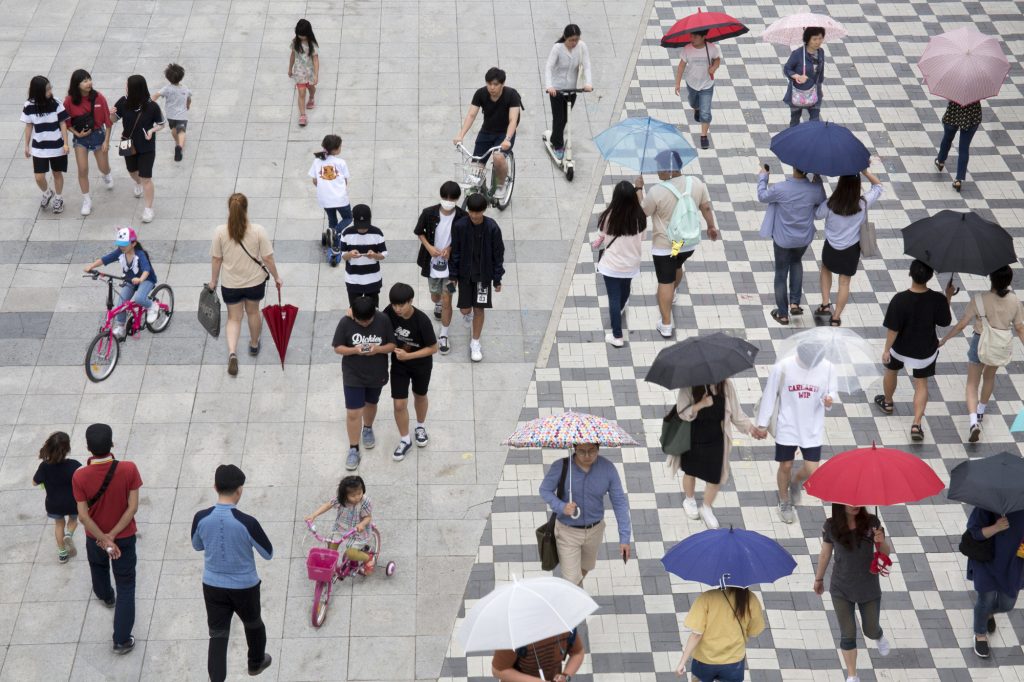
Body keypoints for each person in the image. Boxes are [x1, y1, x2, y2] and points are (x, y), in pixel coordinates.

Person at [191, 464, 273, 680]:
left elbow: (197, 545)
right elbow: (268, 553)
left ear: (215, 487)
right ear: (240, 490)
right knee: (253, 624)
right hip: (245, 587)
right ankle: (256, 663)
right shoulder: (248, 522)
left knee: (217, 635)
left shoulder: (200, 517)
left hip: (212, 586)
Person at [71, 423, 143, 655]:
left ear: (88, 447)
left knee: (98, 566)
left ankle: (105, 596)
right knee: (126, 585)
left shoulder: (80, 476)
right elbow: (132, 507)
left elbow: (83, 516)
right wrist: (112, 536)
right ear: (112, 444)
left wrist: (103, 538)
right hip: (124, 538)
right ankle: (121, 640)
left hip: (95, 538)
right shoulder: (129, 469)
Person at [938, 266, 1024, 442]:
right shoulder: (1015, 301)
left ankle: (973, 423)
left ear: (991, 279)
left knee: (972, 384)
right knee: (989, 377)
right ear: (1008, 281)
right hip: (999, 345)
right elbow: (1020, 328)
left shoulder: (979, 300)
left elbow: (962, 324)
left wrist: (945, 339)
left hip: (979, 343)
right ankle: (980, 412)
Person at [639, 149, 718, 338]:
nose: (657, 171)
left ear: (670, 170)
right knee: (677, 264)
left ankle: (666, 324)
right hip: (685, 244)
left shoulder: (657, 191)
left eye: (660, 168)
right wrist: (711, 226)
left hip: (665, 246)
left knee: (665, 280)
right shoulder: (696, 183)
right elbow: (706, 207)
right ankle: (673, 293)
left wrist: (638, 191)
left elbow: (643, 213)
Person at [756, 343, 837, 524]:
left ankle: (795, 481)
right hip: (787, 425)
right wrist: (762, 424)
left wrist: (829, 399)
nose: (811, 368)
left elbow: (832, 391)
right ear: (799, 356)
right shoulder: (783, 367)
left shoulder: (828, 368)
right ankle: (784, 501)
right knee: (785, 465)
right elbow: (770, 394)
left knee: (812, 470)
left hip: (812, 427)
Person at [875, 260, 954, 442]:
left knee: (891, 371)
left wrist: (886, 350)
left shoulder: (899, 299)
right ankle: (916, 424)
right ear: (930, 276)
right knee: (921, 384)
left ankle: (887, 402)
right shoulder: (937, 299)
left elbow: (893, 329)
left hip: (900, 348)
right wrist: (948, 296)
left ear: (910, 274)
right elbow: (944, 322)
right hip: (925, 352)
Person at [813, 504, 892, 682]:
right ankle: (852, 675)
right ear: (840, 504)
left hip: (868, 586)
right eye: (849, 502)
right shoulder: (831, 526)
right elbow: (825, 554)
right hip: (841, 587)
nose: (855, 505)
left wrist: (881, 541)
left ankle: (878, 635)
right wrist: (819, 579)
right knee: (847, 633)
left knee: (870, 629)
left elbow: (885, 553)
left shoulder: (872, 522)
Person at [209, 193, 283, 376]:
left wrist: (213, 281)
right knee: (253, 312)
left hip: (231, 284)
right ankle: (254, 344)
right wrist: (276, 277)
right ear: (246, 208)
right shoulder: (258, 231)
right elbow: (267, 258)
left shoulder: (220, 232)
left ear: (229, 209)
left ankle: (232, 353)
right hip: (254, 283)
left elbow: (217, 259)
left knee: (234, 318)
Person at [538, 443, 632, 587]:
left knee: (585, 568)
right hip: (567, 532)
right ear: (574, 449)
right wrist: (562, 507)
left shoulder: (608, 468)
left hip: (595, 531)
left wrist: (624, 538)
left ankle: (574, 592)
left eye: (592, 451)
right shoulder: (561, 466)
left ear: (598, 449)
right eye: (582, 451)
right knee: (572, 580)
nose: (587, 456)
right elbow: (545, 490)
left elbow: (619, 503)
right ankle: (575, 598)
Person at [671, 381, 761, 529]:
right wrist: (701, 405)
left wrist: (750, 428)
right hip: (693, 436)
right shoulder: (688, 386)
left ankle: (706, 507)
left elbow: (736, 413)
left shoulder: (725, 386)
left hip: (716, 437)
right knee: (690, 471)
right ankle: (689, 499)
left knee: (715, 476)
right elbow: (681, 412)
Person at [756, 163, 826, 325]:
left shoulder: (780, 188)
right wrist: (818, 180)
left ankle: (782, 314)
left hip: (783, 239)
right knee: (796, 262)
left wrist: (763, 177)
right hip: (803, 238)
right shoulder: (814, 189)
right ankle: (795, 303)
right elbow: (822, 202)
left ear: (794, 168)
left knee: (781, 273)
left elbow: (762, 196)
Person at [332, 295, 396, 471]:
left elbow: (392, 345)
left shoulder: (383, 320)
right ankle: (353, 448)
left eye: (369, 321)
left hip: (376, 373)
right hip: (353, 374)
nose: (366, 324)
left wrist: (378, 349)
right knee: (353, 412)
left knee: (371, 403)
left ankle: (367, 428)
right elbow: (338, 347)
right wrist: (355, 350)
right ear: (354, 315)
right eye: (362, 321)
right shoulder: (345, 322)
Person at [815, 169, 884, 326]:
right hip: (851, 250)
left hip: (831, 246)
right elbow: (879, 187)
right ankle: (836, 317)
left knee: (825, 269)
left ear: (840, 184)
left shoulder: (830, 204)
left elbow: (817, 214)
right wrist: (866, 172)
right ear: (857, 185)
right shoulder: (863, 203)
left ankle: (825, 304)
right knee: (844, 282)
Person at [384, 283, 438, 461]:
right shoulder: (389, 312)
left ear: (410, 301)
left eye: (401, 305)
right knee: (399, 404)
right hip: (399, 365)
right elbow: (378, 323)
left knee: (420, 396)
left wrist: (409, 356)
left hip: (421, 364)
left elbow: (433, 348)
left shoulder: (422, 321)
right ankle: (405, 439)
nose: (397, 309)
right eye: (394, 305)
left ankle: (420, 427)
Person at [448, 193, 505, 363]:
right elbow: (455, 252)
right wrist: (453, 276)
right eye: (471, 211)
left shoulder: (492, 228)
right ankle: (467, 315)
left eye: (477, 212)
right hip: (465, 275)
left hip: (483, 277)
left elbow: (498, 254)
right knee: (465, 309)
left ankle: (475, 342)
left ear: (484, 210)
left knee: (479, 309)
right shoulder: (460, 226)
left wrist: (497, 279)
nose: (474, 215)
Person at [591, 180, 648, 347]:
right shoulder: (640, 218)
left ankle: (617, 336)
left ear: (615, 197)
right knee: (625, 288)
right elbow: (643, 238)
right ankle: (621, 307)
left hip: (611, 265)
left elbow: (602, 234)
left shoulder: (608, 216)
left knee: (613, 298)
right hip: (631, 264)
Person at [964, 506, 1024, 658]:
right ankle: (980, 635)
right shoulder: (989, 504)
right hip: (987, 561)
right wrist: (996, 527)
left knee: (1007, 604)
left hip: (1014, 564)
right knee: (986, 600)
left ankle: (987, 613)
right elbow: (975, 532)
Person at [413, 181, 466, 353]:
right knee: (435, 296)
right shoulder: (428, 213)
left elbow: (465, 239)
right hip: (432, 266)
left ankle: (444, 335)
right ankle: (438, 304)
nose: (448, 202)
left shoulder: (462, 216)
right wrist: (429, 247)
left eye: (452, 199)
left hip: (453, 270)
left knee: (447, 298)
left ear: (457, 199)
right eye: (445, 198)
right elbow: (419, 232)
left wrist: (450, 249)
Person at [453, 67, 522, 196]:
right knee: (476, 166)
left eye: (495, 84)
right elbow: (471, 115)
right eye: (489, 84)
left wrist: (507, 139)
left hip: (504, 133)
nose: (492, 87)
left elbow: (513, 120)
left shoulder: (511, 95)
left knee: (498, 157)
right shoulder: (480, 93)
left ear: (502, 84)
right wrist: (460, 135)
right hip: (486, 132)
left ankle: (501, 184)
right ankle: (480, 188)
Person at [83, 227, 161, 339]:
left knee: (139, 298)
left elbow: (146, 270)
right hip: (130, 280)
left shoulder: (140, 254)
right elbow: (105, 259)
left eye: (124, 245)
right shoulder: (120, 252)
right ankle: (120, 326)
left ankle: (153, 306)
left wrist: (140, 279)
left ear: (133, 244)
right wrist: (91, 266)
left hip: (146, 279)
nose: (121, 247)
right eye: (120, 244)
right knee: (121, 304)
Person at [676, 586, 766, 682]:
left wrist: (682, 663)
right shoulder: (751, 599)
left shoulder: (707, 597)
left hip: (704, 660)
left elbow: (697, 634)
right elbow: (754, 631)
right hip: (734, 661)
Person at [111, 74, 165, 223]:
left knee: (146, 178)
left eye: (127, 85)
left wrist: (151, 131)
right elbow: (113, 120)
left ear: (134, 89)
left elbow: (161, 124)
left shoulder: (152, 106)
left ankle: (148, 209)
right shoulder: (123, 102)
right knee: (132, 171)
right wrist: (111, 114)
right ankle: (137, 182)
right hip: (128, 143)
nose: (125, 87)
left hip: (147, 146)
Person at [63, 69, 114, 216]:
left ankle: (107, 174)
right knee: (83, 169)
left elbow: (108, 122)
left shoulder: (99, 98)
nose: (89, 83)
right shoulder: (69, 101)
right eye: (84, 81)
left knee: (103, 167)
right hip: (81, 139)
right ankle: (86, 200)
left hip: (98, 135)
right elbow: (66, 123)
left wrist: (106, 141)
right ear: (77, 84)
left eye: (89, 79)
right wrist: (77, 133)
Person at [304, 475, 376, 572]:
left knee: (351, 553)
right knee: (331, 550)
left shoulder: (364, 502)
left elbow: (368, 517)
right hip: (341, 528)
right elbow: (328, 505)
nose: (357, 497)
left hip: (358, 532)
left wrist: (362, 524)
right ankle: (331, 569)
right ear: (344, 495)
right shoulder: (341, 500)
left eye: (359, 493)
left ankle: (368, 558)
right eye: (353, 495)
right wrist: (314, 515)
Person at [22, 75, 70, 214]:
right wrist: (26, 145)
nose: (50, 91)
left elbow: (63, 124)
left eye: (50, 88)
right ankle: (47, 193)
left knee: (57, 173)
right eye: (47, 89)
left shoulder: (56, 103)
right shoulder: (29, 105)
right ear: (38, 91)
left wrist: (65, 143)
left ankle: (59, 198)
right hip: (39, 147)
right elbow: (29, 126)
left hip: (57, 146)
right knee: (39, 177)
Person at [544, 23, 593, 158]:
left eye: (576, 39)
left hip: (572, 89)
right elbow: (548, 67)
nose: (574, 43)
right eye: (571, 40)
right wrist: (549, 86)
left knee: (566, 118)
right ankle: (558, 145)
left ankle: (555, 137)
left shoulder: (582, 47)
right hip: (557, 90)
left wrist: (588, 83)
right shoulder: (557, 48)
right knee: (558, 119)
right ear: (565, 37)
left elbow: (587, 65)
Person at [32, 431, 81, 563]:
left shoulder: (44, 466)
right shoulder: (74, 465)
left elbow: (34, 482)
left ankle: (62, 554)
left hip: (53, 503)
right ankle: (69, 534)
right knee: (73, 520)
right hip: (72, 502)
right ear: (67, 449)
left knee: (59, 525)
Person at [674, 29, 720, 149]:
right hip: (692, 84)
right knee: (693, 103)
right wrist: (677, 83)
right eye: (691, 36)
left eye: (695, 37)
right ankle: (696, 108)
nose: (692, 39)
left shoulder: (711, 48)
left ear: (704, 36)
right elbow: (681, 66)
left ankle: (703, 136)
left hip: (707, 85)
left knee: (706, 113)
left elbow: (717, 59)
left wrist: (714, 68)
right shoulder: (687, 49)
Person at [309, 134, 352, 254]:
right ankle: (335, 232)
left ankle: (334, 244)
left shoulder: (317, 162)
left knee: (332, 219)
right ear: (336, 149)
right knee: (348, 218)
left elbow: (315, 181)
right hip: (340, 199)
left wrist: (325, 188)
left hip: (325, 199)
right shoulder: (341, 162)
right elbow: (345, 181)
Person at [491, 629, 585, 682]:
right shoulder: (513, 635)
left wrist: (565, 675)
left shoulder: (565, 627)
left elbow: (577, 652)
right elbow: (498, 670)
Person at [340, 204, 388, 307]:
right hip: (353, 280)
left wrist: (374, 255)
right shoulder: (346, 233)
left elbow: (384, 254)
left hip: (373, 279)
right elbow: (343, 256)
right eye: (359, 226)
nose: (362, 229)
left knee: (373, 309)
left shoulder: (377, 233)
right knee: (354, 309)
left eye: (365, 226)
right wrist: (350, 254)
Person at [935, 99, 982, 192]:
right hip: (972, 116)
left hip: (954, 112)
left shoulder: (955, 90)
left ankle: (940, 161)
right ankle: (958, 179)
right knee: (964, 148)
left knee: (947, 139)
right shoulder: (977, 90)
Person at [783, 27, 826, 126]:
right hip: (798, 93)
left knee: (815, 121)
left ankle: (812, 136)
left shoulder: (821, 52)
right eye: (814, 39)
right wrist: (797, 76)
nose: (818, 42)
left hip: (814, 92)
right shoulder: (797, 54)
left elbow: (820, 72)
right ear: (808, 39)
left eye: (820, 38)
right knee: (795, 121)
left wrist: (820, 87)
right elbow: (787, 68)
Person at [152, 62, 191, 162]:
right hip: (182, 115)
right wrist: (188, 105)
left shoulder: (167, 88)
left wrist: (149, 104)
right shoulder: (185, 89)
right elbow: (189, 99)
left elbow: (155, 96)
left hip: (170, 115)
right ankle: (179, 146)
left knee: (174, 129)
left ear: (168, 77)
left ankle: (177, 143)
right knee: (181, 131)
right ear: (181, 76)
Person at [288, 19, 319, 126]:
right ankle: (302, 115)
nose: (301, 37)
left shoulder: (312, 44)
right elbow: (292, 55)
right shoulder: (295, 42)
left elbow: (315, 60)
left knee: (311, 88)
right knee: (301, 93)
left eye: (303, 35)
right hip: (299, 73)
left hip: (309, 73)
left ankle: (311, 97)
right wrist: (290, 68)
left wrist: (316, 75)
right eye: (299, 34)